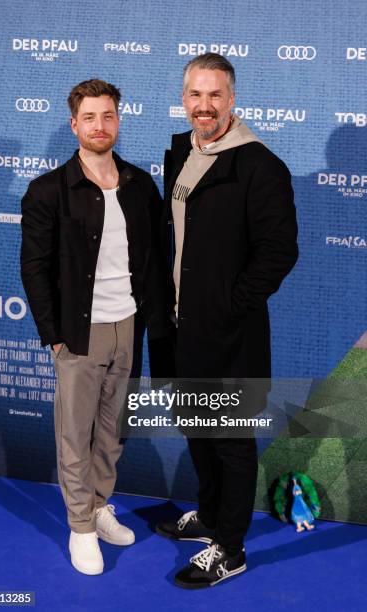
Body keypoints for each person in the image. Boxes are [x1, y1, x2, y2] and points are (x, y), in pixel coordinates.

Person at [156, 53, 298, 588]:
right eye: (195, 94)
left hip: (230, 334)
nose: (204, 106)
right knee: (197, 429)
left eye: (215, 95)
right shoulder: (180, 153)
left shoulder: (260, 165)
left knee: (231, 440)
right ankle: (211, 517)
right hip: (178, 328)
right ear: (184, 97)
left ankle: (231, 549)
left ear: (232, 100)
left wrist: (228, 305)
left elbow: (279, 252)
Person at [20, 78, 166, 576]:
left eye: (108, 116)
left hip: (130, 325)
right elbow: (34, 268)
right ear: (74, 124)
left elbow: (154, 258)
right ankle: (80, 526)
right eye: (89, 118)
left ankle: (100, 506)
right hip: (78, 334)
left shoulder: (141, 185)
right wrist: (53, 334)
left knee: (112, 431)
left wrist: (150, 319)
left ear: (118, 121)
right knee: (74, 434)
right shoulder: (48, 191)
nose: (99, 126)